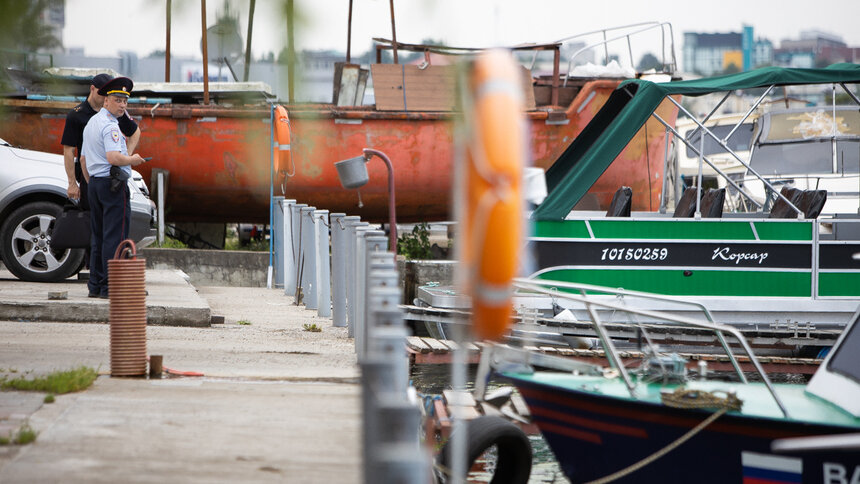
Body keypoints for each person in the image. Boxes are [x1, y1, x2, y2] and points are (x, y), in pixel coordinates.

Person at [81, 77, 146, 299]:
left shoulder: (92, 123)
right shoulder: (110, 126)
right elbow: (113, 157)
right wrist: (133, 159)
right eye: (118, 100)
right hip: (112, 185)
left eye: (125, 102)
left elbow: (83, 160)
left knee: (98, 236)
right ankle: (111, 286)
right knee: (115, 237)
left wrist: (93, 183)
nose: (122, 106)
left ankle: (96, 285)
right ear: (106, 100)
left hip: (97, 184)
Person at [61, 73, 140, 209]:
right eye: (102, 93)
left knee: (111, 219)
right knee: (90, 219)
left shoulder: (115, 111)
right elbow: (69, 150)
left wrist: (126, 155)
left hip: (112, 174)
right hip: (89, 174)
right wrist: (72, 183)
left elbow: (135, 132)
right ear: (92, 89)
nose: (105, 97)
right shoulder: (77, 115)